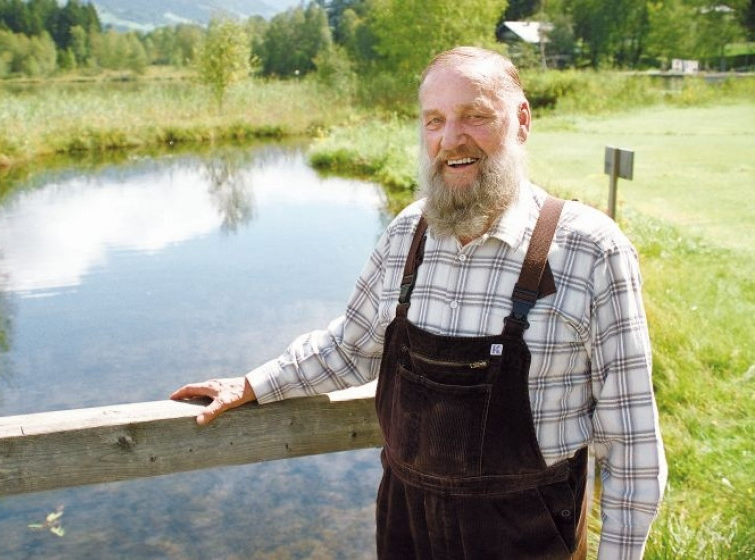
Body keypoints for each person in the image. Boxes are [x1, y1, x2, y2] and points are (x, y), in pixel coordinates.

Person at [171, 46, 667, 560]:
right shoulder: (408, 234)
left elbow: (632, 446)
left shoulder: (591, 249)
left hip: (527, 538)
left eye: (475, 116)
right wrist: (250, 384)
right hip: (407, 528)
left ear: (521, 120)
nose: (451, 139)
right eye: (435, 121)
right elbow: (349, 348)